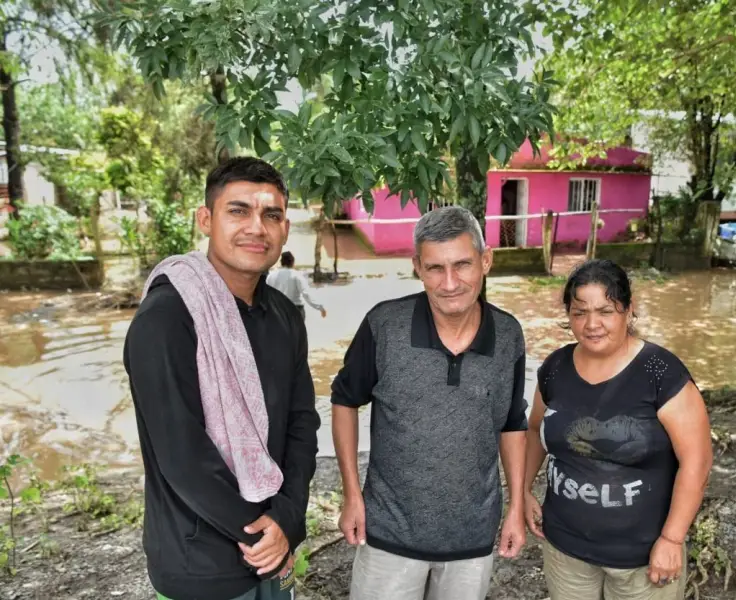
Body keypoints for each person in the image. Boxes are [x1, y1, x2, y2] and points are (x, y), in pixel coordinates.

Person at [124, 157, 321, 600]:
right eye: (238, 211)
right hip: (199, 563)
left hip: (275, 549)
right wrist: (260, 536)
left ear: (284, 229)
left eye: (271, 215)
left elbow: (301, 423)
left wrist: (287, 519)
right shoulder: (167, 318)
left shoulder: (285, 316)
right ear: (205, 219)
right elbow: (181, 456)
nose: (257, 227)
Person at [330, 205, 529, 600]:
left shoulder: (508, 334)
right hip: (387, 532)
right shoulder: (384, 324)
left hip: (472, 537)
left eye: (462, 265)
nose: (450, 282)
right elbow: (343, 401)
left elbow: (512, 423)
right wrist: (352, 495)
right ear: (417, 267)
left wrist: (516, 508)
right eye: (435, 268)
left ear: (485, 260)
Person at [523, 259, 713, 600]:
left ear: (628, 310)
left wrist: (672, 538)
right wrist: (523, 490)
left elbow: (696, 461)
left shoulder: (660, 373)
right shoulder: (555, 368)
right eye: (579, 312)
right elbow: (535, 429)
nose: (591, 324)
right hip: (565, 549)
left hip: (642, 558)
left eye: (605, 311)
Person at [267, 251, 327, 321]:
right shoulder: (297, 275)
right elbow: (306, 294)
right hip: (295, 310)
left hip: (277, 310)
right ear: (292, 262)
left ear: (281, 262)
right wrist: (320, 307)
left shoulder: (271, 276)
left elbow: (266, 295)